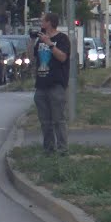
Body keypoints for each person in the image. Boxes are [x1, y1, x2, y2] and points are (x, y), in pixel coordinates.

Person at [32, 11, 71, 155]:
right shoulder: (40, 40)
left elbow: (62, 58)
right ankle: (48, 149)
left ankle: (62, 150)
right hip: (41, 85)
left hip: (56, 85)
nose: (41, 23)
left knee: (58, 120)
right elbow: (33, 57)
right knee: (45, 122)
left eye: (43, 21)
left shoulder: (62, 39)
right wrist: (33, 41)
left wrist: (49, 44)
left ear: (49, 23)